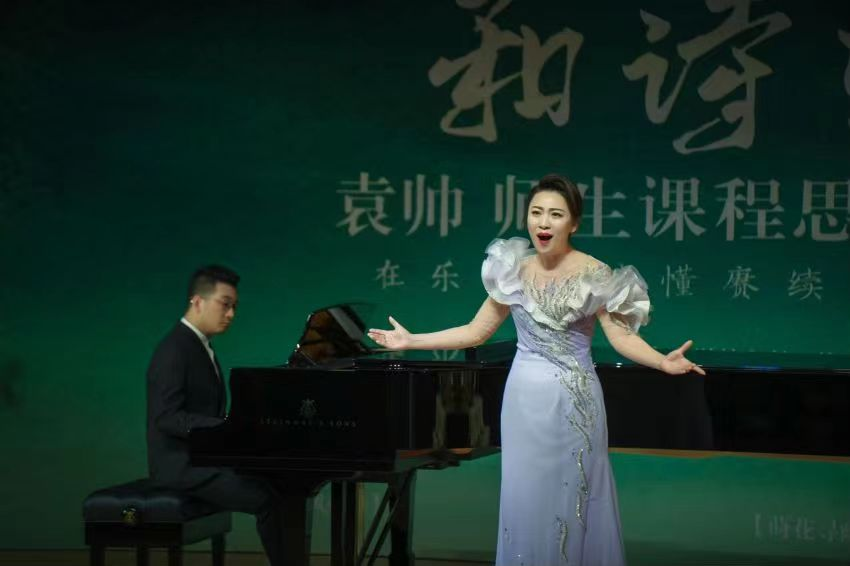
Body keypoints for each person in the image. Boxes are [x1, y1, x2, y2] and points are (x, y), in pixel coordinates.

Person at [368, 174, 705, 565]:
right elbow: (475, 331)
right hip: (523, 401)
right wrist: (411, 340)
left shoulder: (596, 273)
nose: (544, 223)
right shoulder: (512, 269)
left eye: (556, 214)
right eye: (536, 213)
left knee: (575, 496)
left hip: (575, 402)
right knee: (525, 496)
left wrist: (661, 361)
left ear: (574, 223)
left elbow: (621, 337)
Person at [146, 265, 286, 566]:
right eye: (225, 304)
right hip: (180, 467)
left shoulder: (198, 345)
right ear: (197, 301)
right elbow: (167, 417)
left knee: (282, 486)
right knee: (268, 499)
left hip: (204, 460)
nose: (231, 314)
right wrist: (225, 426)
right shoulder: (174, 349)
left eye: (234, 306)